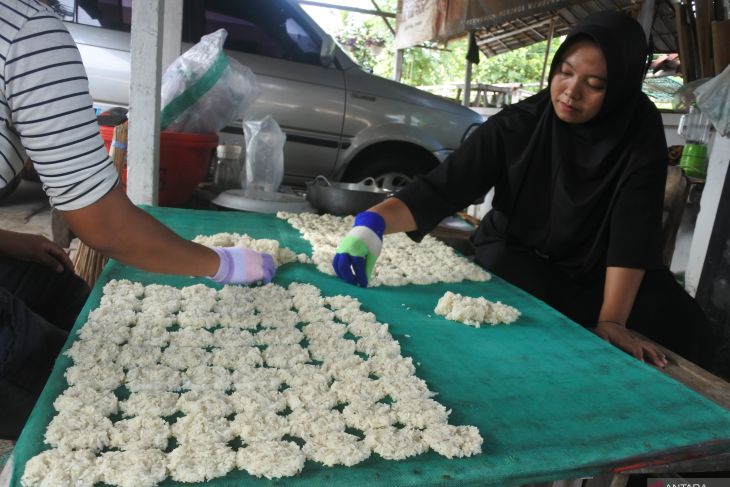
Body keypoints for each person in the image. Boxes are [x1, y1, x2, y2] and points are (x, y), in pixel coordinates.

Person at [333, 11, 713, 370]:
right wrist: (371, 224)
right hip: (524, 254)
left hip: (604, 267)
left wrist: (613, 319)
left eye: (594, 85)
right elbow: (441, 188)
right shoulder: (518, 126)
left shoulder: (637, 129)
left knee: (685, 326)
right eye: (564, 73)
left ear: (621, 91)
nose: (570, 92)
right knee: (522, 306)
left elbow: (634, 229)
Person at [0, 0, 274, 439]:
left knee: (61, 290)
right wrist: (222, 263)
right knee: (92, 408)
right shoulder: (27, 32)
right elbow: (103, 223)